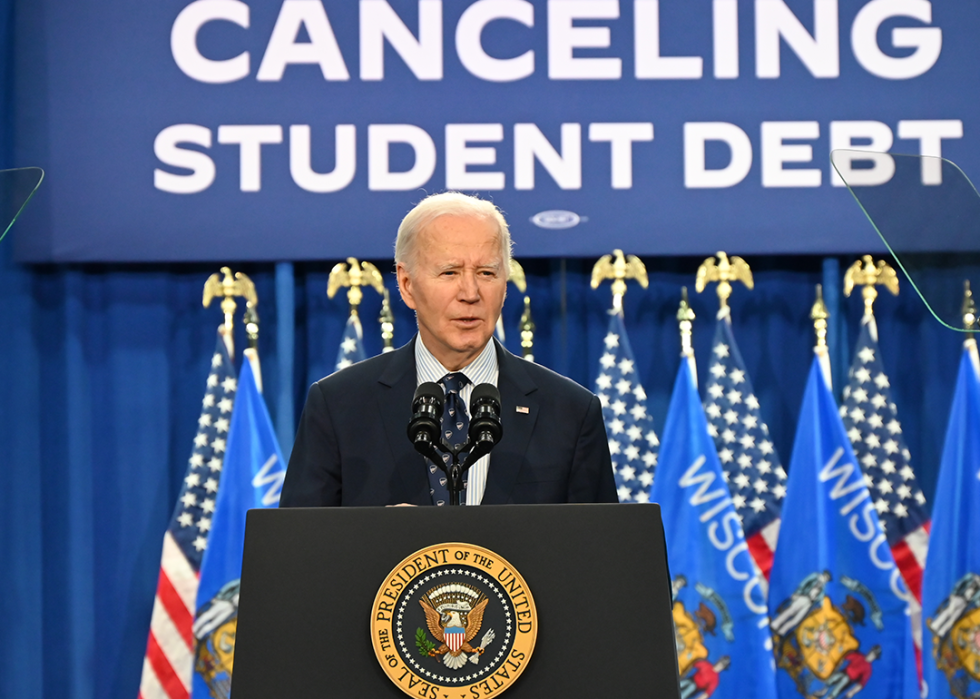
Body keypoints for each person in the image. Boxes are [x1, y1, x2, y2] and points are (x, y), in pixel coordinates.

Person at [280, 191, 617, 507]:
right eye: (449, 272)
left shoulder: (571, 413)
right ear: (407, 285)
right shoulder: (339, 406)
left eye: (486, 272)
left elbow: (603, 556)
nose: (470, 292)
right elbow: (297, 553)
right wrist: (376, 541)